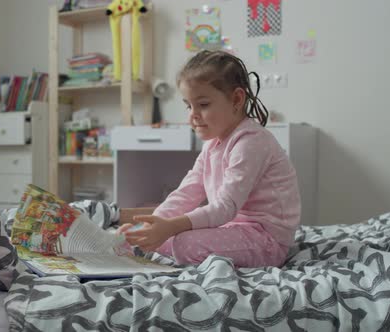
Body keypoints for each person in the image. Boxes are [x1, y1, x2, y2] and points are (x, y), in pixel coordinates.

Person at [119, 50, 301, 267]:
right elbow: (187, 192)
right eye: (188, 105)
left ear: (236, 99)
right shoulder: (212, 144)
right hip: (232, 229)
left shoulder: (251, 142)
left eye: (203, 104)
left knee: (183, 244)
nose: (193, 115)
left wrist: (171, 227)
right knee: (156, 238)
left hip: (266, 241)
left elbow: (225, 207)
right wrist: (152, 224)